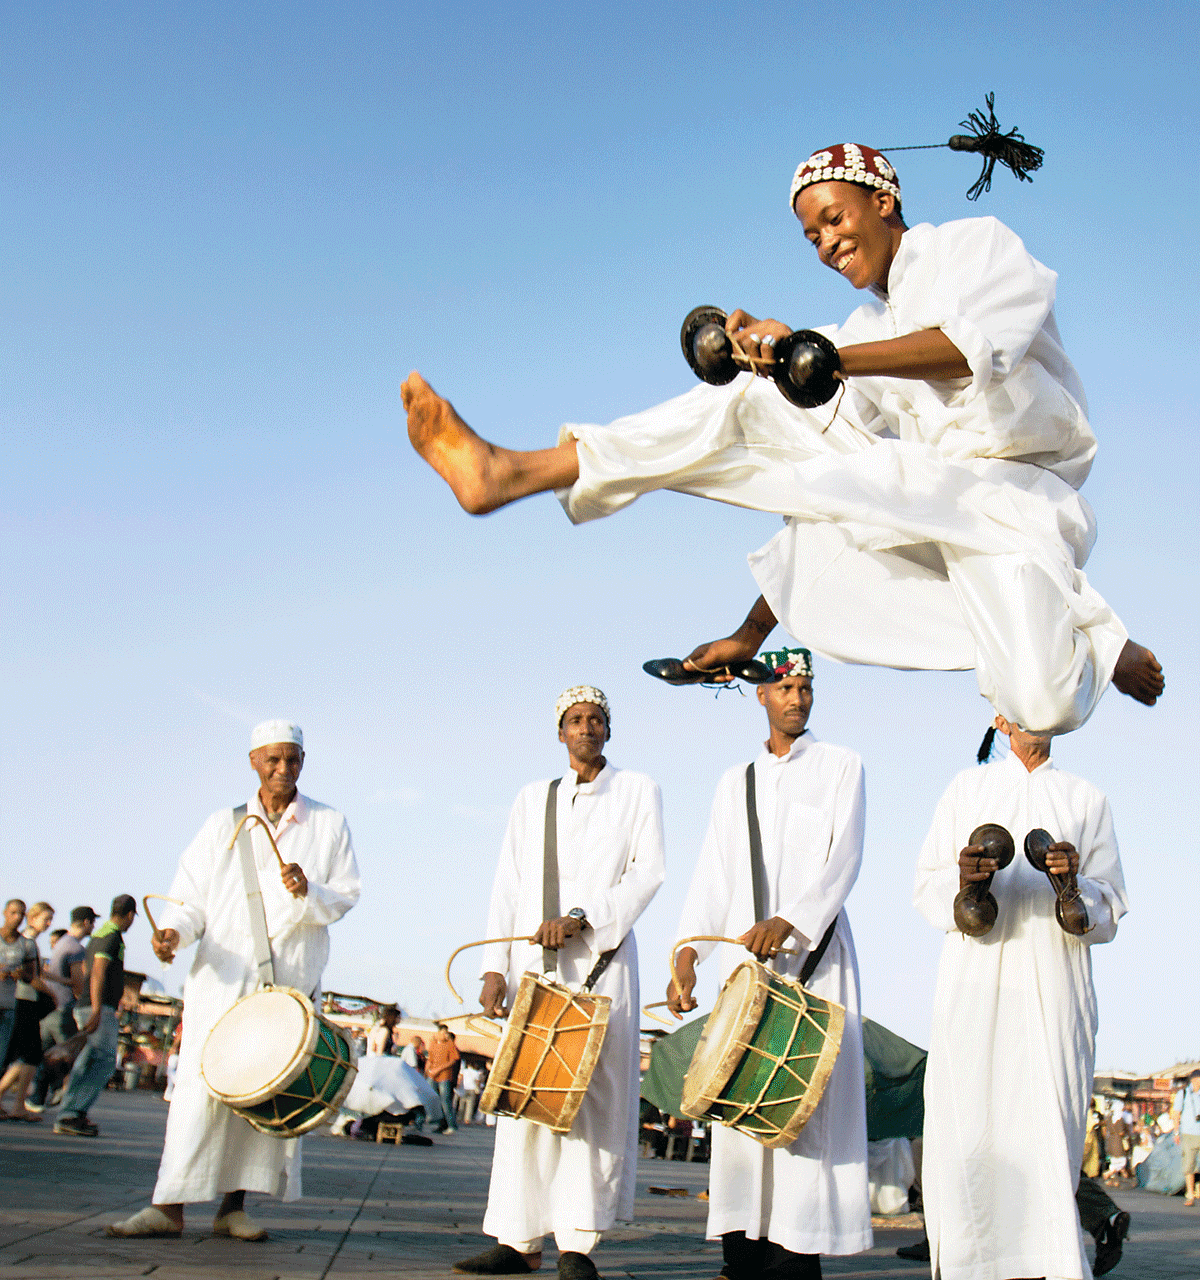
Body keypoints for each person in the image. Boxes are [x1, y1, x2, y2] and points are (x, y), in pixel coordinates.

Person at [401, 144, 1163, 738]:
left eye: (833, 218)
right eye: (810, 235)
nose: (825, 241)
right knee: (753, 405)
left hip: (1022, 501)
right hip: (932, 491)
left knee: (1042, 699)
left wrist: (828, 357)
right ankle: (515, 470)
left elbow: (965, 349)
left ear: (883, 198)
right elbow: (825, 482)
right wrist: (774, 357)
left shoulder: (976, 246)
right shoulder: (865, 329)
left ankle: (1095, 640)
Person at [104, 719, 360, 1241]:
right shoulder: (222, 824)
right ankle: (168, 1207)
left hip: (287, 982)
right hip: (222, 980)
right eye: (273, 759)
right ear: (253, 762)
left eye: (292, 759)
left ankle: (233, 1207)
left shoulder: (329, 824)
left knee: (264, 1092)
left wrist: (309, 890)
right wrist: (173, 934)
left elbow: (346, 895)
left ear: (303, 762)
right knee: (201, 1091)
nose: (283, 769)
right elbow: (190, 898)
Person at [668, 647, 870, 1279]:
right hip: (747, 973)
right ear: (762, 696)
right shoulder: (738, 781)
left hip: (816, 962)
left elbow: (845, 859)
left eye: (806, 687)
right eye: (786, 687)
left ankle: (795, 1253)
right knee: (739, 1106)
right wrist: (687, 953)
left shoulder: (843, 765)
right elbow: (712, 875)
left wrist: (792, 920)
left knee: (802, 1106)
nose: (798, 698)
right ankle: (742, 1252)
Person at [454, 686, 664, 1280]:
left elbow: (648, 873)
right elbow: (508, 884)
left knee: (591, 1101)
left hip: (602, 965)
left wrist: (584, 918)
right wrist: (494, 965)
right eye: (575, 720)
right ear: (560, 732)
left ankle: (577, 1246)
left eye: (596, 719)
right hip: (536, 969)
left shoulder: (638, 791)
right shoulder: (532, 799)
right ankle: (517, 1242)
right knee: (528, 1099)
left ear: (608, 730)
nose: (586, 728)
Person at [915, 714, 1127, 1280]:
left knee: (1046, 1138)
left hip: (1056, 994)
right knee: (971, 1132)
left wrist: (1073, 889)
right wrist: (965, 884)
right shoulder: (966, 789)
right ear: (1000, 714)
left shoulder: (1086, 798)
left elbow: (1109, 907)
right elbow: (926, 888)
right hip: (975, 991)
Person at [53, 895, 137, 1136]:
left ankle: (71, 1111)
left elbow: (85, 970)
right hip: (98, 1008)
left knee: (89, 1059)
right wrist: (98, 1008)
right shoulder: (111, 937)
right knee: (102, 1060)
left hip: (89, 1004)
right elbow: (98, 972)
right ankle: (71, 1113)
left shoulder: (98, 935)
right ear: (130, 915)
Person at [28, 906, 95, 1112]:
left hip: (50, 1008)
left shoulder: (61, 943)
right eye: (92, 922)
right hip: (64, 1008)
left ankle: (36, 1099)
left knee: (43, 1055)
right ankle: (65, 1100)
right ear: (86, 923)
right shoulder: (76, 949)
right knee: (69, 1056)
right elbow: (78, 985)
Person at [0, 901, 55, 1120]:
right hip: (23, 1002)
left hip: (14, 1003)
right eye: (45, 918)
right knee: (28, 1055)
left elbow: (33, 975)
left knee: (15, 1056)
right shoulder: (26, 941)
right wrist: (51, 994)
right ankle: (18, 1104)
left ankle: (15, 1103)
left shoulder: (27, 944)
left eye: (20, 914)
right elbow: (36, 978)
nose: (48, 924)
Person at [1172, 1068, 1200, 1206]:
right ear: (1192, 1080)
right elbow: (1176, 1114)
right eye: (1196, 1080)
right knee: (1188, 1165)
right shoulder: (1183, 1094)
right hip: (1188, 1134)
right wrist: (1176, 1132)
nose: (1198, 1083)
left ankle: (1197, 1190)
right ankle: (1190, 1195)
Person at [427, 1022, 461, 1135]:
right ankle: (440, 1124)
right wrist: (428, 1070)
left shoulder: (450, 1044)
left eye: (446, 1033)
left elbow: (453, 1060)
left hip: (444, 1076)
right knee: (433, 1099)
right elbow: (430, 1058)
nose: (445, 1035)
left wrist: (440, 1069)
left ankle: (451, 1125)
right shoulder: (433, 1044)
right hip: (433, 1075)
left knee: (445, 1101)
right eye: (443, 1032)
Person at [459, 1059, 485, 1125]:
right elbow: (478, 1082)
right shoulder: (476, 1072)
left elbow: (460, 1078)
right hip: (472, 1089)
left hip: (464, 1088)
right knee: (470, 1105)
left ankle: (459, 1117)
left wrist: (458, 1085)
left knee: (462, 1104)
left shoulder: (464, 1071)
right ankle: (467, 1119)